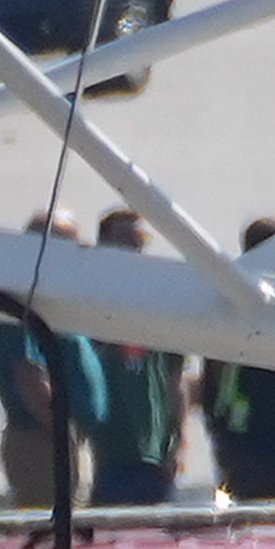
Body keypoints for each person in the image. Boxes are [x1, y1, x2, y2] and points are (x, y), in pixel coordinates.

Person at [0, 231, 99, 516]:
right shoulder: (20, 302)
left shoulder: (53, 302)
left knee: (75, 523)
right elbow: (29, 377)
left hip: (61, 436)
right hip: (42, 442)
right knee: (51, 526)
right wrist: (61, 432)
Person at [83, 210, 186, 510]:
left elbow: (175, 380)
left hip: (156, 455)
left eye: (138, 240)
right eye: (124, 240)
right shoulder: (87, 301)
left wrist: (178, 444)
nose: (134, 248)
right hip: (108, 452)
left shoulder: (159, 306)